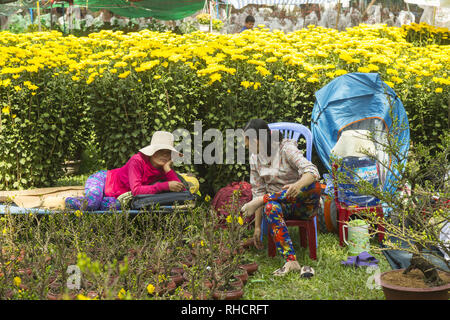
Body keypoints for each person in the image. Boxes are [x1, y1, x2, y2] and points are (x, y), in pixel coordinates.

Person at [241, 119, 321, 276]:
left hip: (302, 204)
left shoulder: (286, 148)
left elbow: (313, 171)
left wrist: (296, 186)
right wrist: (257, 227)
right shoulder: (254, 158)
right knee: (270, 206)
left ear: (257, 141)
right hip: (278, 205)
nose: (245, 146)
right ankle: (291, 261)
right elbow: (258, 190)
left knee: (313, 185)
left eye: (247, 143)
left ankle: (265, 200)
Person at [65, 131, 185, 211]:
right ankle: (67, 201)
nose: (164, 156)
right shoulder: (137, 161)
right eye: (160, 151)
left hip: (117, 197)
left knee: (114, 206)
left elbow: (182, 192)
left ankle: (98, 199)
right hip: (103, 179)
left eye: (168, 153)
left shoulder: (164, 168)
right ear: (152, 151)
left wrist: (168, 169)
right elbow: (137, 190)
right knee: (91, 204)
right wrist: (165, 186)